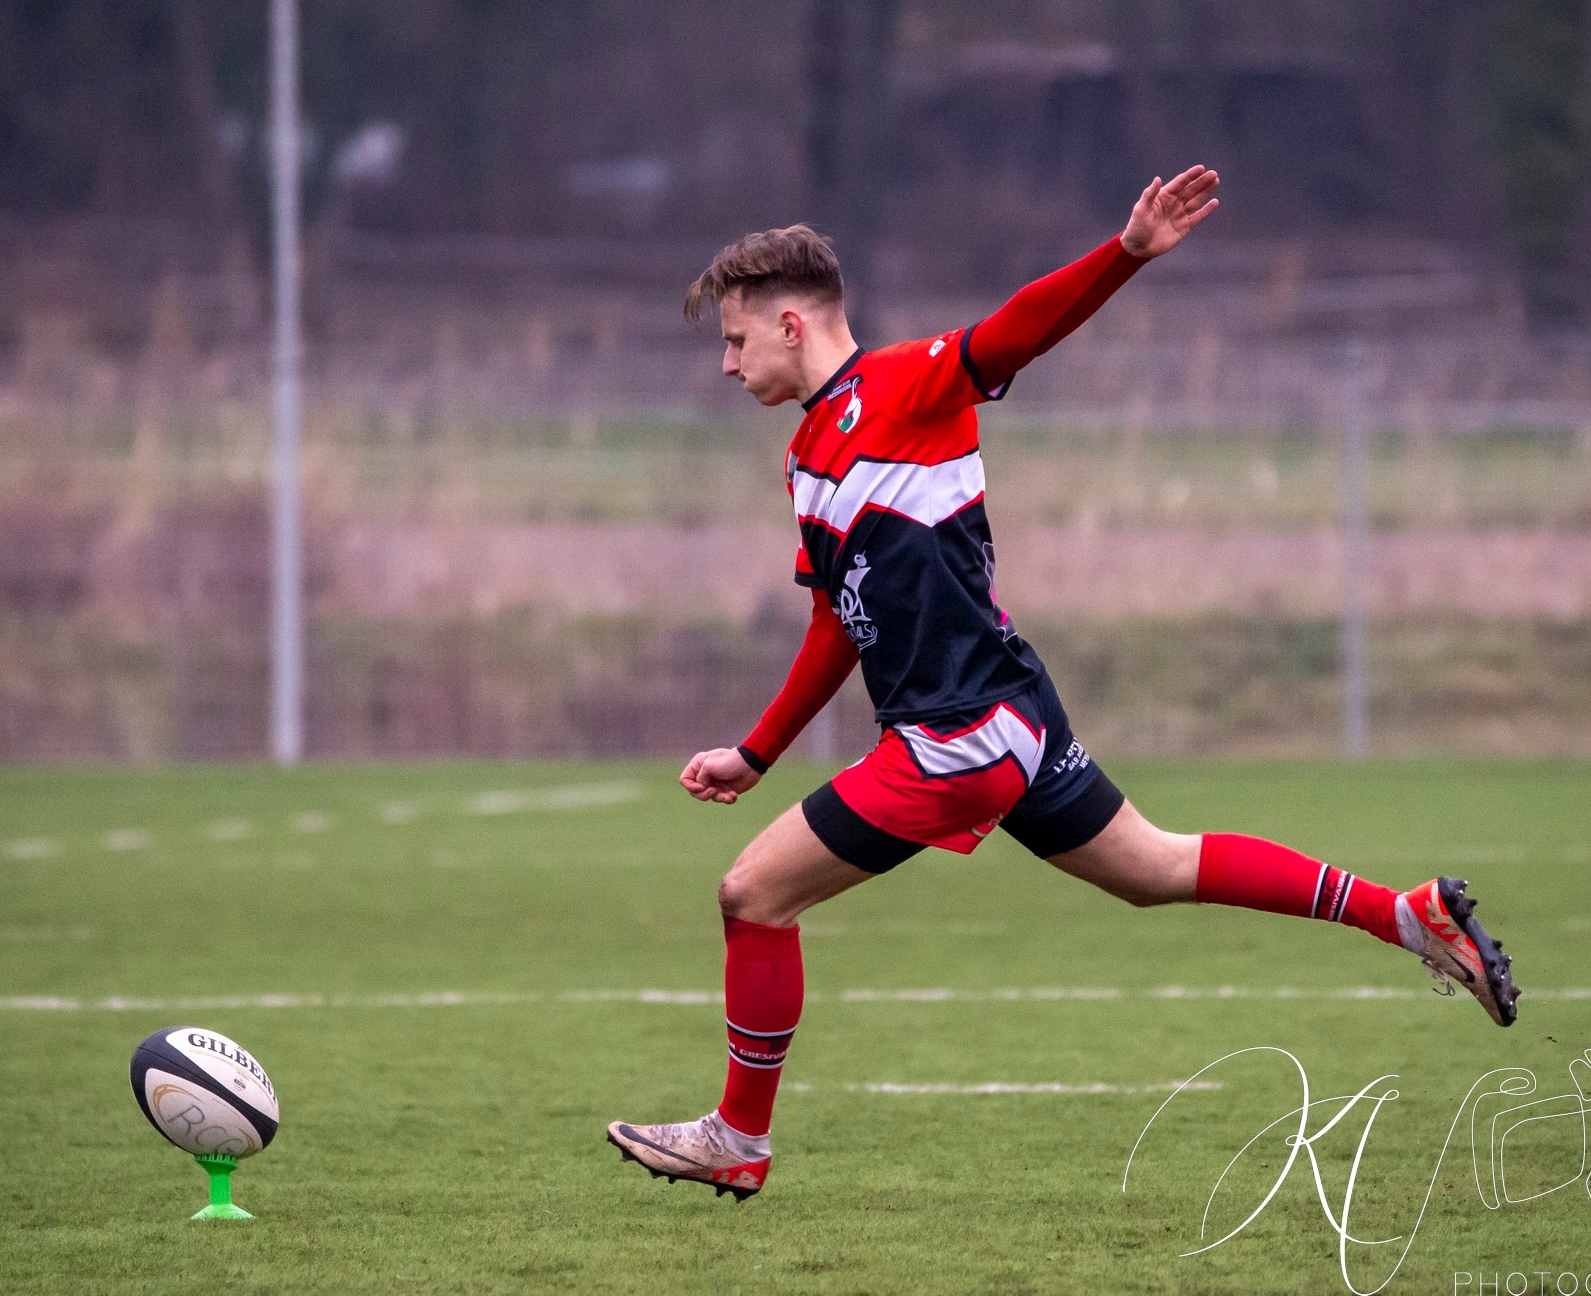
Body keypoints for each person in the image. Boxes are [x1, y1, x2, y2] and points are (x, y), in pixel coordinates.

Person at [606, 166, 1519, 1202]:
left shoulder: (905, 387)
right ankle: (1402, 916)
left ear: (786, 324)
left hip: (955, 735)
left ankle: (738, 1135)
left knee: (750, 897)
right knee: (1153, 866)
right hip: (1011, 712)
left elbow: (1015, 329)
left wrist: (1123, 253)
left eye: (732, 341)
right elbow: (833, 622)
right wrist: (755, 750)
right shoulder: (806, 456)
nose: (725, 365)